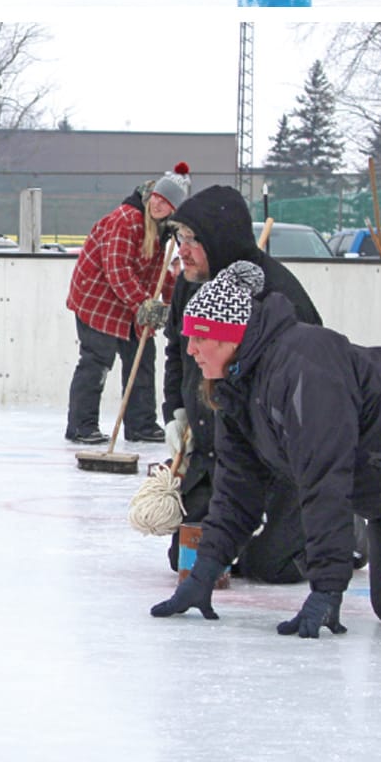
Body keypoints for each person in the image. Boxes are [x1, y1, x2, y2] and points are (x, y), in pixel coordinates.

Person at [151, 259, 381, 632]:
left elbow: (324, 481)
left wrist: (327, 591)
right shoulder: (237, 389)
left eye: (199, 338)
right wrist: (203, 575)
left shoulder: (303, 367)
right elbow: (237, 492)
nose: (191, 350)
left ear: (230, 336)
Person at [161, 184, 323, 583]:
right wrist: (177, 413)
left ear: (218, 240)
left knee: (274, 566)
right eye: (178, 238)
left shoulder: (277, 293)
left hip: (274, 457)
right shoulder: (189, 282)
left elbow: (312, 384)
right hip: (214, 449)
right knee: (188, 554)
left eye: (190, 240)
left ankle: (342, 528)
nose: (181, 250)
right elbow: (175, 354)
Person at [65, 164, 190, 444]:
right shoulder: (127, 219)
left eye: (167, 203)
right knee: (97, 362)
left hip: (130, 303)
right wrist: (142, 303)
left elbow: (163, 274)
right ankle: (81, 426)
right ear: (151, 195)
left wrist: (172, 306)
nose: (159, 205)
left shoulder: (165, 233)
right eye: (158, 197)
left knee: (142, 359)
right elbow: (117, 269)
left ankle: (141, 424)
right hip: (98, 300)